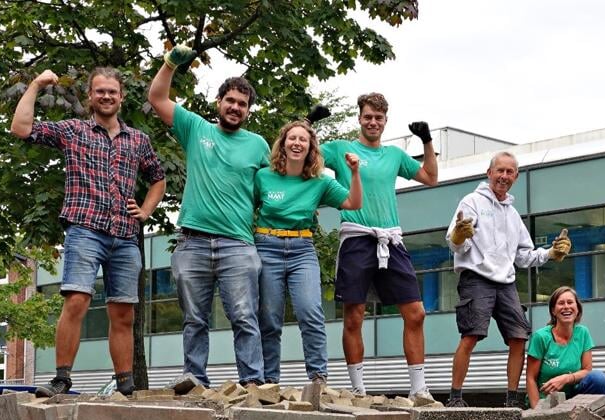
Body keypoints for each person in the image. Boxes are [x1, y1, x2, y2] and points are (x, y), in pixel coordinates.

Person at [10, 67, 166, 397]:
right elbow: (21, 128)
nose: (107, 96)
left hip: (125, 235)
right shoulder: (73, 131)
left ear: (122, 97)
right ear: (90, 97)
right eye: (100, 91)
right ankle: (62, 379)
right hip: (85, 231)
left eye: (112, 91)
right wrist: (37, 84)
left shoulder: (138, 140)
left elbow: (158, 177)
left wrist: (147, 210)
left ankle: (125, 385)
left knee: (123, 312)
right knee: (77, 301)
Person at [148, 45, 270, 387]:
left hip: (238, 245)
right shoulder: (196, 129)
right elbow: (157, 97)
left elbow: (274, 189)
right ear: (219, 103)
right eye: (230, 100)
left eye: (242, 104)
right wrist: (171, 63)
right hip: (193, 243)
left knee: (245, 317)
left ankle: (253, 384)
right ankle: (194, 379)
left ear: (248, 111)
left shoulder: (259, 145)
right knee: (194, 319)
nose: (235, 107)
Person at [320, 92, 438, 401]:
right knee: (354, 316)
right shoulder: (341, 149)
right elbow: (304, 155)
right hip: (357, 237)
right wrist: (308, 122)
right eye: (368, 116)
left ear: (385, 122)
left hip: (391, 238)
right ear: (359, 118)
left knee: (416, 313)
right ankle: (358, 388)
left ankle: (419, 389)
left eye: (379, 118)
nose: (373, 122)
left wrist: (426, 141)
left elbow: (430, 177)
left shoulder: (395, 155)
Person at [446, 152, 571, 407]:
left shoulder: (512, 214)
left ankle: (512, 400)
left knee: (518, 338)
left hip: (506, 282)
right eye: (500, 170)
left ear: (515, 176)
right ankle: (455, 397)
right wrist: (458, 237)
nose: (504, 176)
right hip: (477, 277)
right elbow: (456, 243)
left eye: (509, 172)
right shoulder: (472, 202)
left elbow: (524, 256)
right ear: (489, 173)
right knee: (470, 335)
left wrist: (550, 253)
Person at [254, 121, 361, 385]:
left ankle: (318, 377)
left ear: (311, 147)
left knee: (310, 312)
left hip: (302, 249)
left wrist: (355, 173)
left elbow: (353, 203)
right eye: (292, 138)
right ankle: (269, 382)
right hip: (267, 247)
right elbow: (245, 208)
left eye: (303, 140)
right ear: (283, 143)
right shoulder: (263, 176)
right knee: (269, 319)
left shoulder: (320, 182)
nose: (297, 143)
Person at [525, 287, 605, 408]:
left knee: (598, 378)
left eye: (570, 302)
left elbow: (587, 370)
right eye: (561, 303)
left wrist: (566, 378)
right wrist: (537, 412)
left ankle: (594, 418)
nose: (566, 306)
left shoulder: (583, 333)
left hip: (575, 398)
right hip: (547, 401)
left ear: (577, 309)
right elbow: (530, 378)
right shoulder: (541, 337)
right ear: (553, 311)